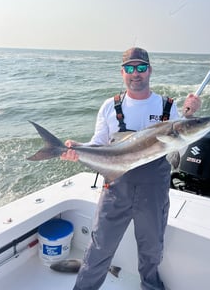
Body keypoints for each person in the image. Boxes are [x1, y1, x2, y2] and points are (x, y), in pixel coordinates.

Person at [61, 47, 201, 290]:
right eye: (129, 68)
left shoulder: (167, 106)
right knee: (99, 247)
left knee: (151, 250)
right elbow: (98, 144)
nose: (135, 73)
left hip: (154, 191)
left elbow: (180, 145)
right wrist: (78, 149)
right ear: (122, 72)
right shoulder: (109, 106)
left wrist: (189, 116)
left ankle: (151, 286)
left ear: (150, 70)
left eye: (141, 67)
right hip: (116, 187)